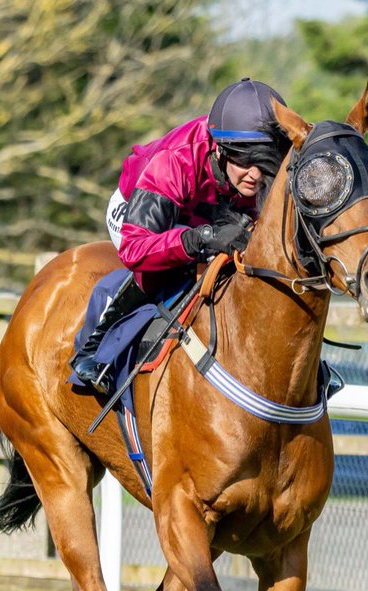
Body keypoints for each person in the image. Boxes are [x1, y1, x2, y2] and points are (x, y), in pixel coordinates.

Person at [71, 78, 291, 392]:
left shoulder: (255, 172)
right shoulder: (175, 160)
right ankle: (94, 347)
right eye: (245, 161)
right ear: (220, 149)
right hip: (137, 210)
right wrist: (201, 239)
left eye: (265, 161)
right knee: (172, 266)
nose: (255, 175)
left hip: (205, 211)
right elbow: (136, 250)